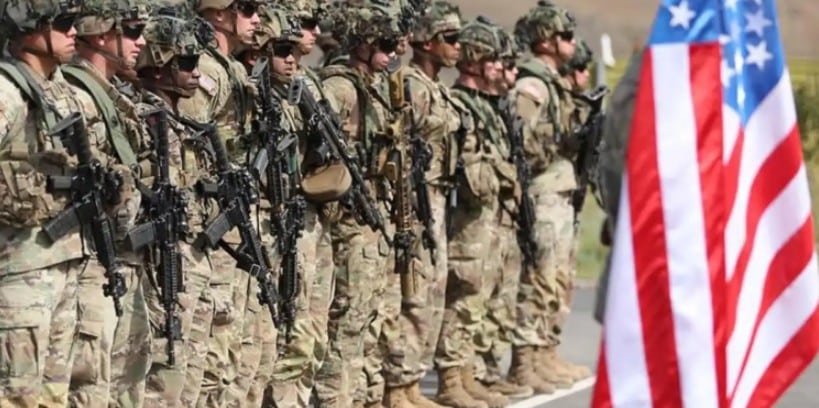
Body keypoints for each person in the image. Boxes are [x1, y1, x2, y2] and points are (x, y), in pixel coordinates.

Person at [0, 0, 125, 405]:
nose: (74, 31)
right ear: (29, 29)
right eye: (64, 23)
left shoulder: (63, 95)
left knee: (54, 396)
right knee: (16, 397)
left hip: (67, 265)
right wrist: (27, 189)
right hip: (19, 272)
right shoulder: (7, 93)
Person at [374, 2, 468, 407]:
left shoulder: (436, 88)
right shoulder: (410, 84)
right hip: (414, 198)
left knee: (432, 290)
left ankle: (412, 382)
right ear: (426, 42)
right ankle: (398, 387)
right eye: (450, 38)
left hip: (436, 196)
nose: (457, 46)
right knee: (414, 292)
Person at [310, 5, 401, 408]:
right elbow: (316, 150)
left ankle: (358, 397)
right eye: (384, 44)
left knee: (365, 316)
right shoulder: (341, 88)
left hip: (369, 215)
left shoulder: (373, 87)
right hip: (347, 219)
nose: (392, 53)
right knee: (346, 320)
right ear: (362, 44)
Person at [131, 8, 219, 406]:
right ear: (159, 63)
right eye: (185, 63)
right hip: (158, 261)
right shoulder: (144, 118)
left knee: (189, 374)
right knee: (163, 378)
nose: (195, 73)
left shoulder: (180, 120)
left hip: (188, 255)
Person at [176, 0, 260, 404]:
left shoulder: (233, 69)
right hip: (210, 219)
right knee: (212, 335)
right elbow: (191, 142)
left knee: (231, 333)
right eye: (246, 8)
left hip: (231, 211)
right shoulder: (207, 70)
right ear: (217, 12)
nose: (256, 18)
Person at [64, 1, 149, 404]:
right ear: (100, 35)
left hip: (118, 257)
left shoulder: (111, 95)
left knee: (124, 382)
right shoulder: (77, 95)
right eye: (131, 32)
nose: (141, 42)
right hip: (90, 261)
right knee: (90, 388)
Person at [433, 16, 520, 408]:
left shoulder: (486, 107)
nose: (500, 68)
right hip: (468, 218)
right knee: (464, 293)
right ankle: (452, 378)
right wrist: (503, 172)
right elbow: (475, 175)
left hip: (488, 219)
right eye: (492, 60)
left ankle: (467, 372)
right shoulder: (463, 105)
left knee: (478, 297)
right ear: (474, 61)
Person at [508, 1, 588, 392]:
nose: (571, 43)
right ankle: (525, 362)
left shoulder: (553, 83)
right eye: (564, 36)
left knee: (555, 279)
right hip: (541, 193)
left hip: (558, 191)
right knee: (538, 278)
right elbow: (521, 144)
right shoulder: (533, 85)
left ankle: (544, 354)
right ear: (545, 40)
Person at [471, 25, 535, 400]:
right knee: (474, 295)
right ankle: (470, 374)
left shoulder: (498, 108)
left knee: (499, 293)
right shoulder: (470, 103)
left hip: (504, 213)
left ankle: (488, 369)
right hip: (479, 215)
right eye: (501, 63)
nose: (508, 72)